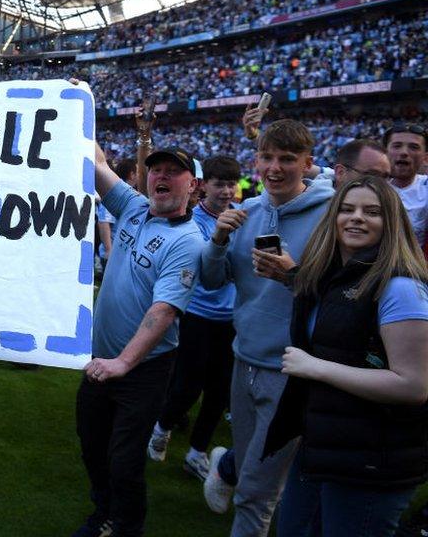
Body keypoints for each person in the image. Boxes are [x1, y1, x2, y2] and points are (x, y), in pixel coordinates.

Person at [264, 176, 428, 537]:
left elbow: (413, 385)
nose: (356, 218)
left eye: (372, 212)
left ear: (392, 224)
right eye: (347, 209)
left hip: (373, 460)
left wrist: (317, 368)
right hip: (323, 444)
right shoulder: (333, 277)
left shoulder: (401, 288)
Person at [199, 119, 334, 536]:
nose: (275, 168)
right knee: (254, 470)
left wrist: (295, 276)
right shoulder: (247, 213)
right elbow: (211, 280)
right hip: (244, 360)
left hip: (293, 370)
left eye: (287, 159)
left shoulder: (331, 216)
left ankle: (229, 473)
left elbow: (344, 296)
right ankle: (226, 465)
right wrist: (218, 240)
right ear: (255, 161)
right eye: (267, 158)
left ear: (308, 163)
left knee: (257, 493)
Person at [73, 143, 203, 537]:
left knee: (124, 460)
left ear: (192, 184)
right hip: (102, 358)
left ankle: (128, 527)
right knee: (92, 444)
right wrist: (81, 98)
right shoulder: (132, 207)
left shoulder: (188, 241)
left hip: (142, 368)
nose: (161, 176)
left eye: (173, 171)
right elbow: (96, 163)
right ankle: (104, 513)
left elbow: (163, 311)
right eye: (156, 169)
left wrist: (124, 364)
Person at [148, 156, 241, 481]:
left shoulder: (242, 217)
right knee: (188, 385)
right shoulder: (194, 221)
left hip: (230, 317)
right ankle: (161, 428)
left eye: (232, 184)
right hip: (197, 313)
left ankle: (197, 452)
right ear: (204, 186)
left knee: (219, 391)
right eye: (220, 184)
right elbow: (202, 267)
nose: (227, 191)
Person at [384, 123, 427, 247]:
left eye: (413, 147)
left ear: (425, 158)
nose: (404, 152)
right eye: (397, 146)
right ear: (385, 152)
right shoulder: (370, 187)